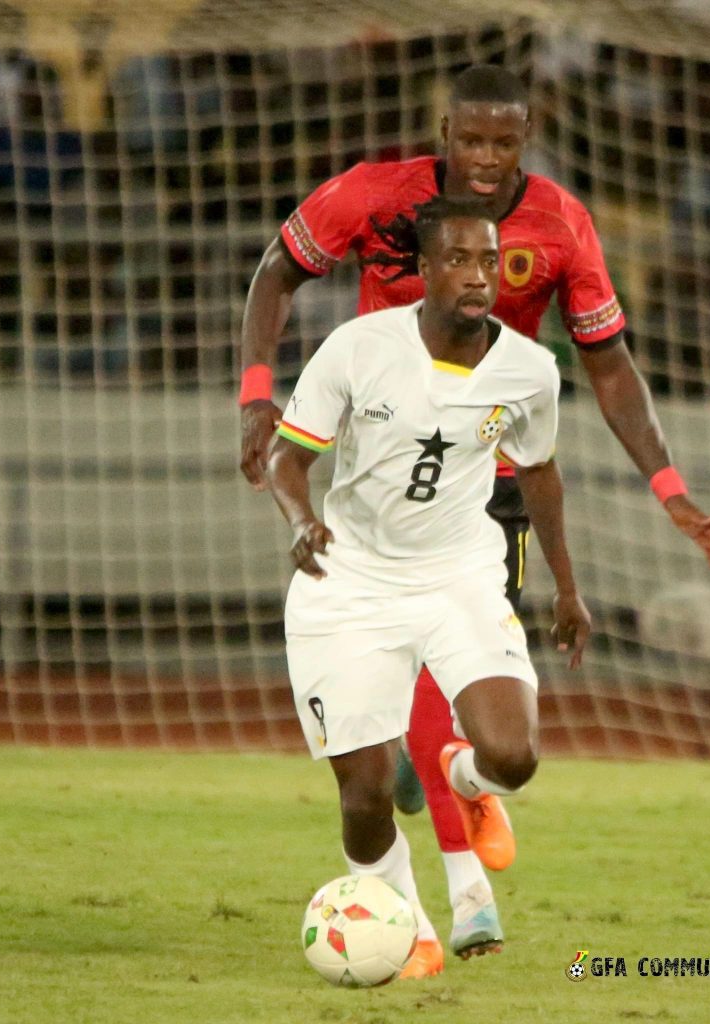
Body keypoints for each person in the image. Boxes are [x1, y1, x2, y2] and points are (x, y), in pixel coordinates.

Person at [239, 64, 710, 976]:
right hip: (380, 463)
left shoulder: (560, 231)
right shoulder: (372, 206)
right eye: (469, 139)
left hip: (487, 477)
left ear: (526, 140)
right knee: (374, 763)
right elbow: (278, 271)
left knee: (475, 714)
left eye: (501, 143)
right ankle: (445, 904)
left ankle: (465, 832)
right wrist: (255, 396)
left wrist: (667, 488)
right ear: (444, 134)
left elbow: (610, 366)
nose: (483, 158)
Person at [267, 196, 591, 980]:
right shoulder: (359, 348)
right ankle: (407, 929)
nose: (478, 277)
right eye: (458, 259)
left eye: (490, 261)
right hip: (349, 584)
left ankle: (463, 778)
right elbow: (287, 458)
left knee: (513, 757)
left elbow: (539, 472)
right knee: (365, 794)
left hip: (459, 576)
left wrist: (566, 586)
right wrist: (301, 521)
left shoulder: (529, 370)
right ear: (423, 268)